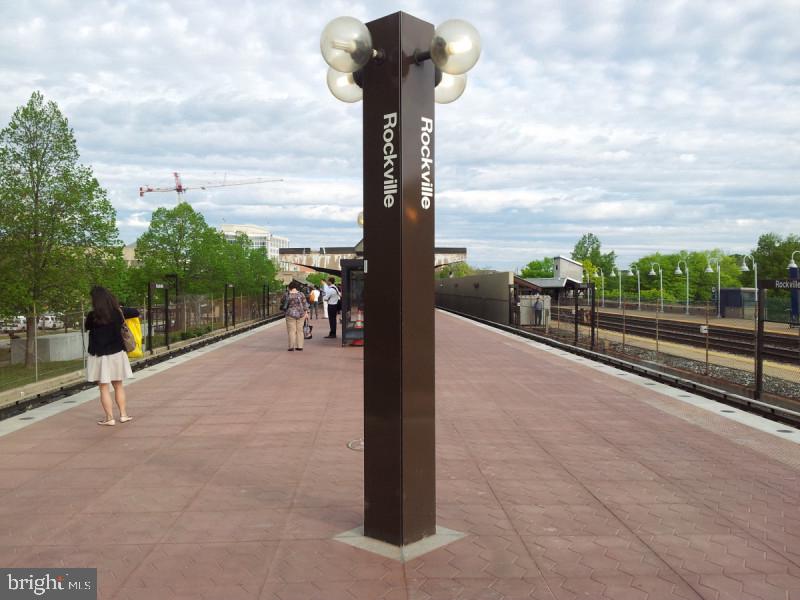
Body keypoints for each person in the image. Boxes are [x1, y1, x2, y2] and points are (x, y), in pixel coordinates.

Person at [85, 286, 139, 426]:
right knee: (118, 385)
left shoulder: (92, 316)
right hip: (116, 353)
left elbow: (87, 327)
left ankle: (109, 418)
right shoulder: (117, 313)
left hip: (99, 355)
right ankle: (123, 415)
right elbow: (136, 312)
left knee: (103, 388)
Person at [284, 282, 309, 351]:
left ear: (289, 287)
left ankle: (291, 346)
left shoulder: (287, 294)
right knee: (300, 330)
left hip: (290, 314)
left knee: (291, 331)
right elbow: (305, 304)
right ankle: (300, 346)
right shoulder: (301, 294)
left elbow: (282, 304)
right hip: (301, 314)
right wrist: (306, 313)